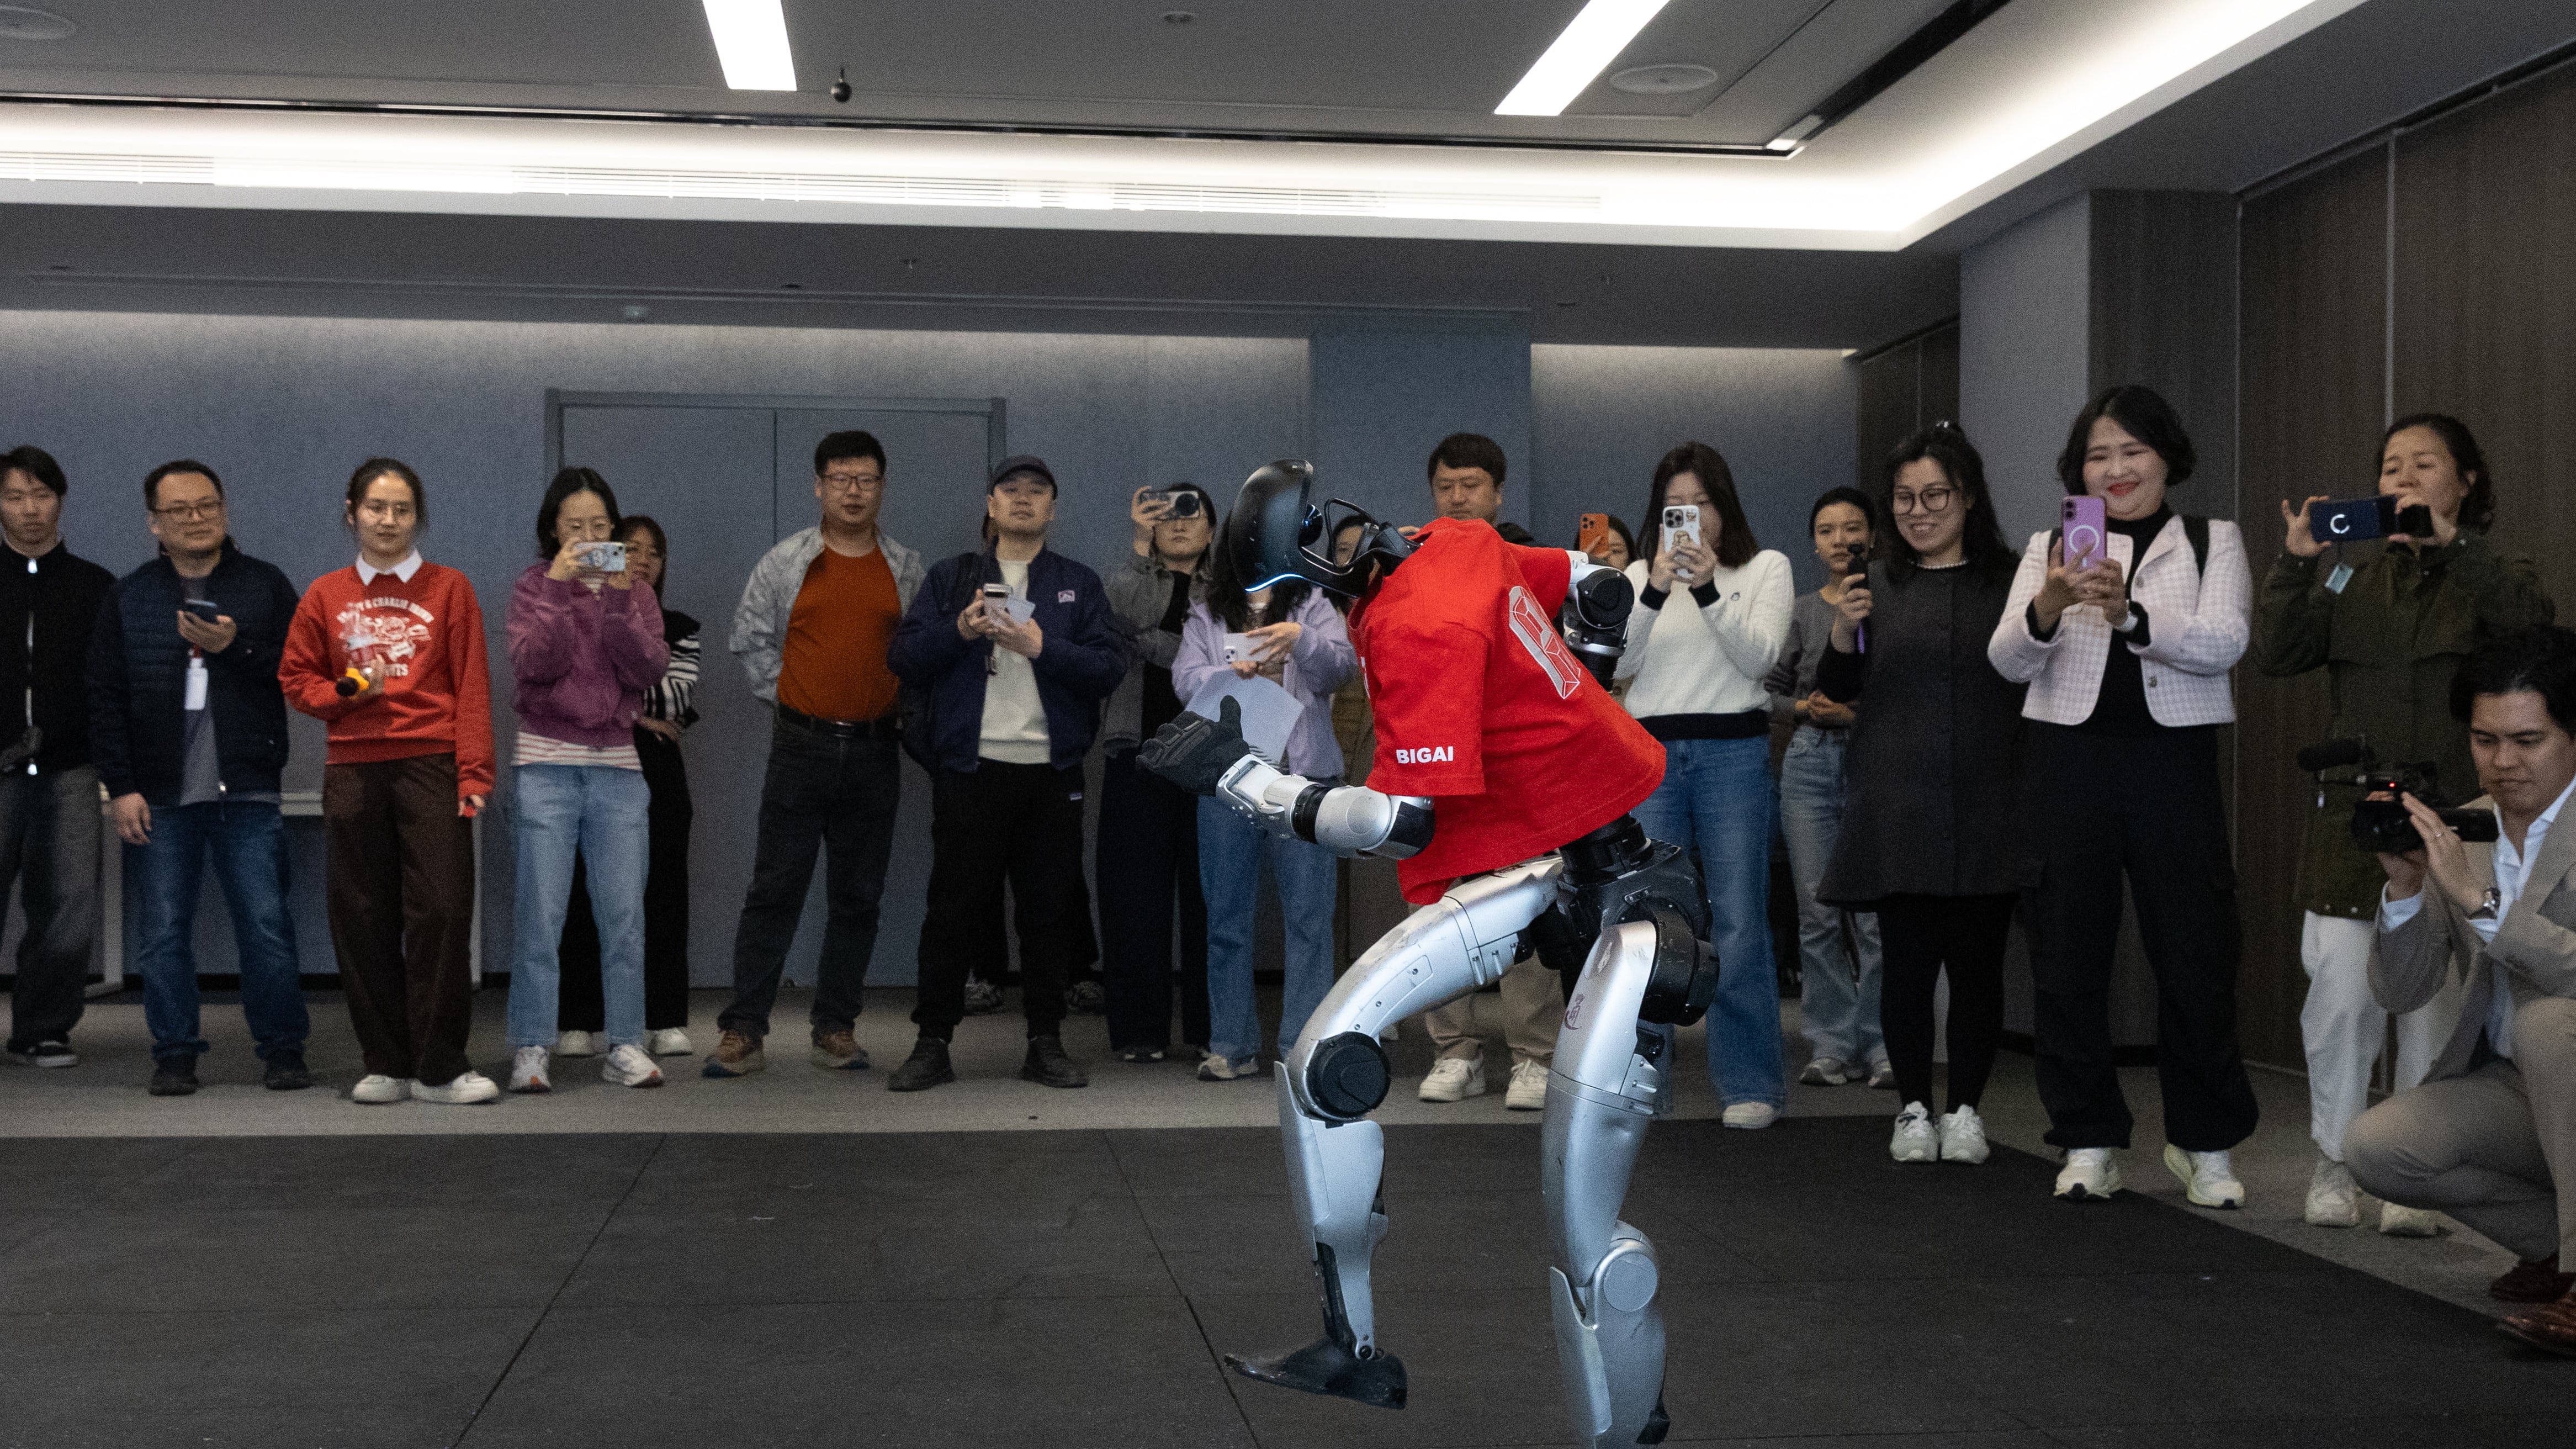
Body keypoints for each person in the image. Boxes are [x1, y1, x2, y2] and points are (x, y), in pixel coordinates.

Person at [2257, 413, 2553, 1234]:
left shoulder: (2490, 570)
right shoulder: (2352, 579)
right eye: (2391, 467)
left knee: (2436, 1008)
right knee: (2342, 1000)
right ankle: (2333, 1159)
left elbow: (2533, 625)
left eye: (2426, 465)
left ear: (2463, 482)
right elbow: (2277, 653)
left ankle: (2404, 1178)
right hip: (2357, 826)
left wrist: (2455, 545)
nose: (2405, 479)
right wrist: (2295, 562)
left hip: (2458, 827)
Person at [1989, 385, 2260, 1207]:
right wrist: (2050, 604)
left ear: (2167, 458)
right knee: (2068, 955)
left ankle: (2205, 1145)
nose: (2115, 469)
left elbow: (2224, 643)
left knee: (2194, 954)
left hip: (2172, 764)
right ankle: (2087, 1136)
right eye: (2097, 456)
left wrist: (2131, 614)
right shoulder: (2048, 546)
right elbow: (2004, 661)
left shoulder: (2212, 542)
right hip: (2066, 763)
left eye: (2131, 451)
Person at [2346, 625, 2576, 1355]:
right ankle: (2557, 1252)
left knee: (2547, 1027)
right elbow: (2403, 990)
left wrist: (2480, 903)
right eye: (2484, 740)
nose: (2503, 762)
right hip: (2519, 1088)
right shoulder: (2464, 830)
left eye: (2527, 741)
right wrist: (2408, 886)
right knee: (2377, 1148)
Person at [1818, 425, 2026, 1166]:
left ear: (1966, 497)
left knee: (1976, 966)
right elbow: (1835, 688)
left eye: (1934, 494)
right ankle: (1910, 1107)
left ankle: (1966, 1108)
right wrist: (1843, 630)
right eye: (1903, 498)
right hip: (1896, 801)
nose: (1918, 510)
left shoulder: (2010, 580)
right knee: (1904, 965)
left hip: (1988, 797)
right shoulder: (1873, 580)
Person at [885, 454, 1124, 1092]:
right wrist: (959, 628)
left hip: (1050, 771)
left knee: (1048, 912)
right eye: (1009, 490)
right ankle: (931, 1040)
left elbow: (1108, 667)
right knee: (952, 909)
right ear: (990, 505)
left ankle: (1044, 1040)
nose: (1022, 500)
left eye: (1036, 492)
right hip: (970, 766)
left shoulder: (1077, 582)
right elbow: (904, 656)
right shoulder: (951, 577)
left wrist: (1043, 647)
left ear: (1052, 509)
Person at [703, 432, 924, 1078]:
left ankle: (835, 1024)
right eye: (840, 478)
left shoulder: (906, 566)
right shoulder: (785, 561)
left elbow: (920, 654)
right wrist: (795, 698)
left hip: (876, 750)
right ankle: (743, 1028)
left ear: (883, 487)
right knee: (775, 888)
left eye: (866, 479)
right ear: (818, 486)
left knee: (858, 896)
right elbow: (748, 638)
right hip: (800, 746)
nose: (853, 491)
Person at [280, 458, 497, 1104]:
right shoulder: (325, 594)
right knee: (362, 913)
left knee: (442, 909)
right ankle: (385, 1061)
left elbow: (473, 686)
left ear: (417, 516)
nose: (389, 520)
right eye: (376, 507)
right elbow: (297, 680)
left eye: (402, 509)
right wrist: (347, 691)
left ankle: (440, 1066)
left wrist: (475, 770)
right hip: (353, 765)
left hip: (431, 761)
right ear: (352, 512)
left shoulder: (450, 588)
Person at [89, 460, 309, 1096]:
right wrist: (120, 785)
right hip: (159, 791)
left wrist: (234, 647)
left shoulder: (264, 586)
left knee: (266, 924)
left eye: (207, 504)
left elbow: (300, 673)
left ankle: (283, 1047)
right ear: (153, 521)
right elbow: (104, 696)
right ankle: (175, 1051)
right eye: (180, 509)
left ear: (225, 510)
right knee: (162, 931)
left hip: (246, 785)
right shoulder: (129, 596)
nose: (196, 517)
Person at [1616, 441, 1794, 1128]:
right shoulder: (1637, 573)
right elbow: (1619, 662)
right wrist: (1658, 587)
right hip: (1651, 755)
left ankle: (1749, 1080)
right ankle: (1643, 1081)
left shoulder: (1765, 567)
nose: (1686, 520)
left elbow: (1760, 658)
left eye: (1698, 505)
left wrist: (1710, 585)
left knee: (1740, 919)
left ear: (1724, 506)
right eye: (1672, 509)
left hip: (1733, 754)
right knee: (1651, 924)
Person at [502, 467, 669, 1094]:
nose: (590, 536)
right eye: (576, 526)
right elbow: (533, 662)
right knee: (540, 915)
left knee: (624, 915)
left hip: (619, 767)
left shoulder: (636, 592)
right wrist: (558, 587)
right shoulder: (532, 584)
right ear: (554, 529)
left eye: (601, 526)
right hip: (546, 762)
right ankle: (530, 1045)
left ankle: (625, 1040)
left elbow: (648, 667)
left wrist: (622, 599)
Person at [1174, 511, 1354, 1081]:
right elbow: (1184, 681)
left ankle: (1301, 1042)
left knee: (1309, 917)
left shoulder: (1311, 605)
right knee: (1225, 916)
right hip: (1230, 777)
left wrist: (1299, 641)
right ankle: (1231, 1043)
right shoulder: (1207, 610)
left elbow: (1341, 669)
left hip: (1302, 780)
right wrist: (1236, 672)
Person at [1416, 432, 1561, 1107]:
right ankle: (1455, 1051)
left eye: (1471, 484)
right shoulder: (1412, 562)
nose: (1458, 497)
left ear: (1498, 493)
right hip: (1441, 756)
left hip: (1515, 757)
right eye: (1446, 486)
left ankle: (1534, 1057)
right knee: (1441, 906)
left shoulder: (1531, 562)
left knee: (1524, 903)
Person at [555, 516, 701, 1061]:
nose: (642, 559)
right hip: (591, 762)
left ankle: (663, 1017)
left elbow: (672, 699)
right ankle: (578, 1017)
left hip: (656, 772)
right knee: (583, 890)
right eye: (630, 548)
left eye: (654, 552)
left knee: (662, 891)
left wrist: (619, 701)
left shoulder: (681, 626)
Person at [1764, 485, 1889, 1090]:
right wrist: (1801, 707)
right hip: (1810, 762)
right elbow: (1766, 689)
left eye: (1852, 528)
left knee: (1875, 916)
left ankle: (1883, 1043)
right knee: (1816, 912)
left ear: (1873, 534)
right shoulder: (1800, 608)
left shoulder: (1890, 600)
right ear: (1814, 542)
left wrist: (1856, 716)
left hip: (1877, 762)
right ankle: (1831, 1043)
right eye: (1827, 530)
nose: (1840, 540)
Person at [0, 446, 112, 1071]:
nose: (29, 509)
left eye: (41, 495)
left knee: (67, 903)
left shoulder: (94, 585)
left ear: (60, 500)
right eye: (15, 497)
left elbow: (110, 683)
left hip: (70, 768)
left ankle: (42, 1028)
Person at [1098, 482, 1216, 1063]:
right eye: (1163, 515)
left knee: (1209, 898)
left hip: (1210, 761)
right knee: (1132, 898)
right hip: (1138, 752)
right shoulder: (1131, 573)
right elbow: (1117, 617)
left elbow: (1212, 655)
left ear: (1212, 530)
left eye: (1190, 513)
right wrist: (1139, 545)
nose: (1176, 522)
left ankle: (1209, 1028)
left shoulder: (1229, 591)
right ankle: (1138, 1031)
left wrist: (1150, 643)